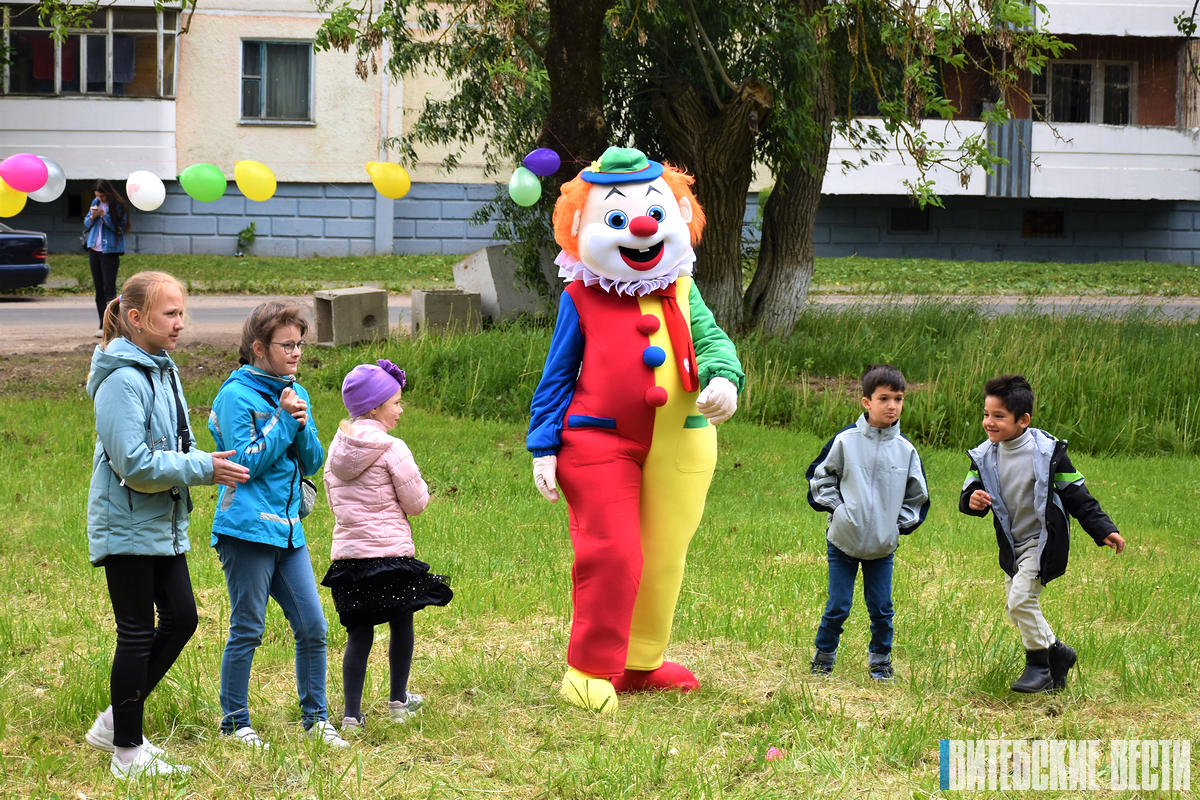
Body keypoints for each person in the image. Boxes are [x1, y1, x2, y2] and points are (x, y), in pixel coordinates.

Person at [527, 147, 744, 714]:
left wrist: (725, 377)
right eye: (617, 219)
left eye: (651, 214)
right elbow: (557, 374)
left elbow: (713, 339)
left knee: (665, 553)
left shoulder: (682, 286)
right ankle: (589, 668)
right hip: (598, 439)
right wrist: (543, 444)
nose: (641, 228)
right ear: (582, 228)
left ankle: (642, 659)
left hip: (683, 438)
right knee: (614, 551)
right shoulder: (580, 294)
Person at [83, 271, 250, 779]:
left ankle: (116, 723)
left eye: (182, 312)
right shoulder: (120, 380)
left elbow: (174, 445)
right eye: (170, 314)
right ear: (136, 319)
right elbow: (132, 462)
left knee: (181, 619)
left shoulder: (162, 368)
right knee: (135, 634)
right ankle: (127, 754)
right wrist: (203, 468)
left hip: (161, 523)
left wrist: (207, 459)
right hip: (127, 525)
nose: (181, 323)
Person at [208, 302, 348, 748]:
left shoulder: (293, 391)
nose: (296, 353)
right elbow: (242, 463)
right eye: (287, 345)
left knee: (313, 626)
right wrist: (285, 421)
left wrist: (300, 423)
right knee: (247, 626)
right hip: (246, 528)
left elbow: (312, 459)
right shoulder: (235, 396)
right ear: (258, 348)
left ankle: (317, 720)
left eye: (300, 345)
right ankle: (234, 724)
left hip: (288, 529)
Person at [959, 374, 1125, 693]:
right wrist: (973, 500)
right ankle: (1057, 655)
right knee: (1015, 605)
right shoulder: (984, 457)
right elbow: (969, 492)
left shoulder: (1048, 454)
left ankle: (1038, 664)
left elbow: (1077, 494)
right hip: (1013, 544)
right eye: (985, 414)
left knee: (1021, 600)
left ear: (1023, 420)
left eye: (998, 416)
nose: (988, 423)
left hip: (1042, 542)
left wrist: (1104, 529)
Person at [320, 360, 452, 733]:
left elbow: (335, 501)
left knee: (359, 634)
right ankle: (398, 700)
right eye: (395, 402)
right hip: (390, 556)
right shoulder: (393, 448)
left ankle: (350, 715)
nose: (400, 409)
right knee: (401, 621)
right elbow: (416, 502)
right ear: (375, 407)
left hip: (350, 558)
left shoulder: (336, 449)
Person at [805, 365, 930, 682]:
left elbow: (917, 497)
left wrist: (893, 526)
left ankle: (880, 663)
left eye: (898, 399)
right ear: (866, 402)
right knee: (838, 606)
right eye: (884, 398)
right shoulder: (846, 442)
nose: (892, 406)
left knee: (882, 609)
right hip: (843, 542)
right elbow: (821, 477)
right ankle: (823, 659)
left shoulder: (906, 451)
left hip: (881, 548)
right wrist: (840, 511)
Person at [83, 179, 131, 337]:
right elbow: (86, 224)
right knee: (98, 291)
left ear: (108, 193)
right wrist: (92, 217)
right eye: (98, 196)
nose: (100, 199)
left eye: (102, 196)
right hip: (94, 249)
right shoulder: (95, 202)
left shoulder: (118, 205)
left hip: (109, 251)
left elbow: (120, 228)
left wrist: (105, 215)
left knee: (108, 289)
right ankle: (102, 324)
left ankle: (113, 324)